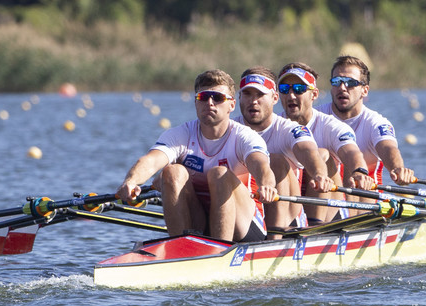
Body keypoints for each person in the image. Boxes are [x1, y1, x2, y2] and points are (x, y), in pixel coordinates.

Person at [117, 69, 277, 242]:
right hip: (200, 219)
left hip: (244, 225)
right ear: (195, 102)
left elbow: (260, 164)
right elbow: (152, 160)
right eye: (203, 97)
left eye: (217, 98)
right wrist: (131, 181)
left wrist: (266, 185)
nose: (209, 103)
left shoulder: (244, 136)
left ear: (231, 105)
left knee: (219, 174)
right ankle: (180, 245)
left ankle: (218, 250)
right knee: (171, 172)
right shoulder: (181, 134)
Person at [233, 66, 334, 235]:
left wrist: (319, 174)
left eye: (260, 95)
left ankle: (276, 238)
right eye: (248, 94)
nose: (253, 101)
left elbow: (309, 151)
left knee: (276, 160)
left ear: (274, 98)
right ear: (239, 97)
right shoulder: (231, 129)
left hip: (288, 215)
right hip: (248, 209)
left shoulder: (290, 129)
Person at [277, 62, 375, 222]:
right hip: (292, 207)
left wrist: (360, 172)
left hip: (332, 210)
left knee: (321, 154)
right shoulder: (274, 126)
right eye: (284, 89)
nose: (291, 95)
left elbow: (351, 152)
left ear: (314, 94)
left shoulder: (330, 125)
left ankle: (315, 226)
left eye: (299, 89)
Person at [315, 55, 415, 186]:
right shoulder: (315, 117)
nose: (342, 87)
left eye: (350, 82)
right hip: (325, 198)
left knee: (349, 169)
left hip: (364, 201)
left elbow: (388, 148)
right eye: (337, 81)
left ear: (365, 90)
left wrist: (398, 168)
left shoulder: (376, 123)